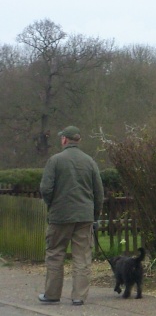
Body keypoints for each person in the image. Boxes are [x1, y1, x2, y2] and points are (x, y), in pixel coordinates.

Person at [38, 126, 104, 306]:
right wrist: (94, 216)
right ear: (78, 140)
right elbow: (99, 193)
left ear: (64, 140)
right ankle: (78, 297)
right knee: (82, 257)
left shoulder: (55, 161)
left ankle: (52, 294)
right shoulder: (90, 161)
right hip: (84, 216)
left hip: (60, 216)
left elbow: (45, 188)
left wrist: (51, 204)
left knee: (55, 254)